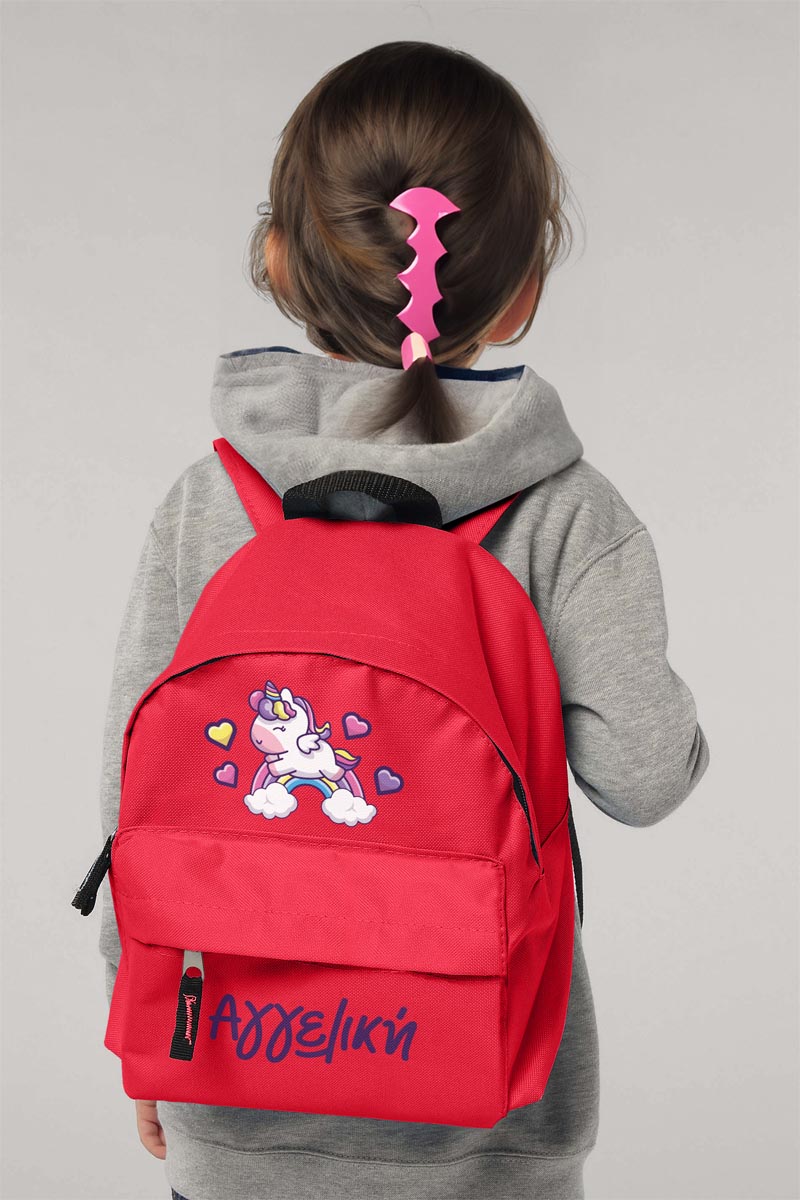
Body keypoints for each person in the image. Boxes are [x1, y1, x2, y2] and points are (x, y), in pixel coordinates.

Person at [98, 40, 710, 1200]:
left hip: (227, 1082)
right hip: (491, 1115)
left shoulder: (207, 505)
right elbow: (643, 778)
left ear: (278, 261)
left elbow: (133, 794)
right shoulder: (566, 513)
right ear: (520, 291)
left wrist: (139, 1016)